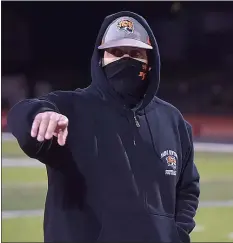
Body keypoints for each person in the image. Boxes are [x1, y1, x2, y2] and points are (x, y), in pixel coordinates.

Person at [7, 11, 200, 242]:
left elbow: (187, 189)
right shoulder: (71, 108)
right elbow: (22, 115)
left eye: (136, 53)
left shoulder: (172, 121)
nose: (126, 60)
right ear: (100, 58)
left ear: (150, 61)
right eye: (116, 52)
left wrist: (175, 235)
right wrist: (39, 116)